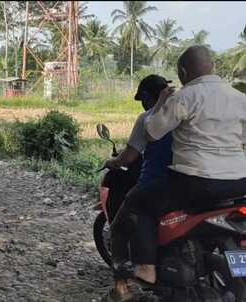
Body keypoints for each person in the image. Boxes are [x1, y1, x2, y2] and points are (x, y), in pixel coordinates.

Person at [114, 45, 246, 290]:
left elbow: (152, 133)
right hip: (239, 183)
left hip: (195, 183)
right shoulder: (240, 98)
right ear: (212, 67)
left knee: (137, 203)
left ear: (183, 72)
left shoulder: (184, 97)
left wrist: (163, 101)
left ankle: (146, 268)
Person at [103, 75, 174, 301]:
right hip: (198, 182)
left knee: (118, 227)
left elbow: (128, 157)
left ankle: (122, 289)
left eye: (141, 99)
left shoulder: (147, 118)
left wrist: (112, 162)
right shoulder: (185, 114)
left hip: (156, 183)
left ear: (146, 97)